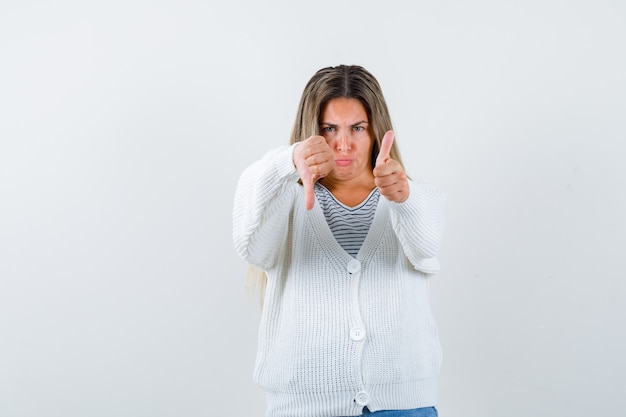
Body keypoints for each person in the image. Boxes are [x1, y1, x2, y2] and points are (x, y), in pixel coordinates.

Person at [232, 65, 445, 417]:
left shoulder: (419, 199)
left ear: (376, 130)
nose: (342, 145)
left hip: (403, 406)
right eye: (329, 129)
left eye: (357, 128)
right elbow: (251, 246)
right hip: (303, 408)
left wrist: (403, 199)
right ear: (310, 133)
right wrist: (288, 161)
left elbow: (426, 252)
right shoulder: (281, 200)